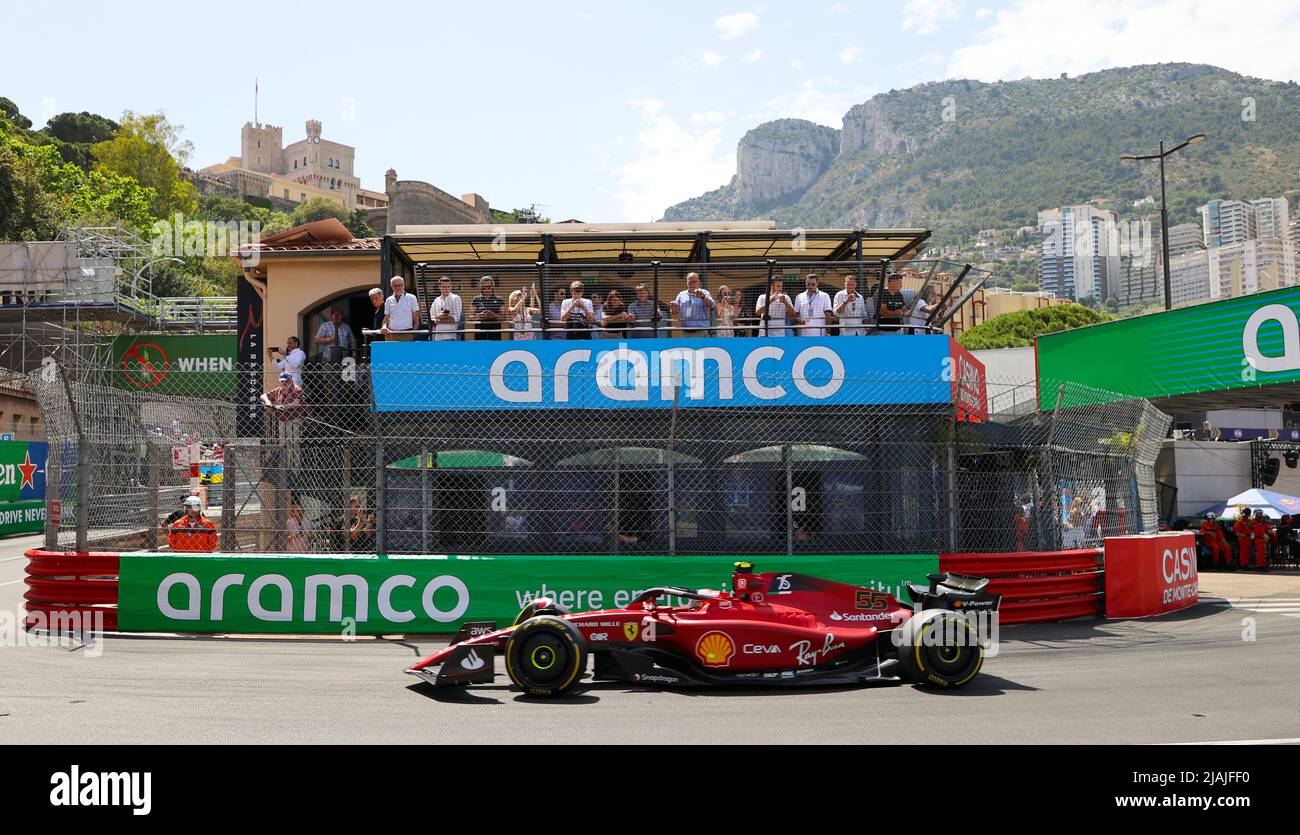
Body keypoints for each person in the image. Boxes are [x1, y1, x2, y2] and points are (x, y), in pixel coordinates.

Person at [261, 373, 304, 468]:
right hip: (282, 420)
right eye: (282, 381)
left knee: (294, 445)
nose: (284, 383)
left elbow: (296, 404)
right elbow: (263, 395)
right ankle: (286, 468)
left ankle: (295, 469)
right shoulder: (278, 390)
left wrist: (282, 407)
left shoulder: (297, 389)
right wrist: (268, 402)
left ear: (291, 380)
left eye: (286, 381)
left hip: (293, 420)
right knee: (283, 444)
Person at [671, 272, 715, 337]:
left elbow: (712, 305)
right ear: (687, 282)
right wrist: (674, 310)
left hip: (702, 331)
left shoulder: (705, 292)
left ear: (699, 282)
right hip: (685, 332)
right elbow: (675, 311)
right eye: (690, 282)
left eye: (694, 282)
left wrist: (703, 297)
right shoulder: (681, 294)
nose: (692, 284)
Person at [470, 275, 505, 341]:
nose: (486, 289)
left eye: (489, 287)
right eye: (484, 288)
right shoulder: (476, 299)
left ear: (492, 287)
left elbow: (504, 318)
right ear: (481, 288)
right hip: (479, 331)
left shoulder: (499, 300)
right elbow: (470, 317)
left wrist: (494, 315)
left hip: (495, 331)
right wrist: (480, 315)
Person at [429, 277, 463, 342]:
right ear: (439, 287)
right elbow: (431, 318)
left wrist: (439, 319)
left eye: (448, 286)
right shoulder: (436, 300)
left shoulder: (456, 298)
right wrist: (440, 317)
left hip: (450, 336)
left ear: (451, 287)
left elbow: (456, 319)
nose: (446, 289)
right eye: (444, 287)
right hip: (437, 336)